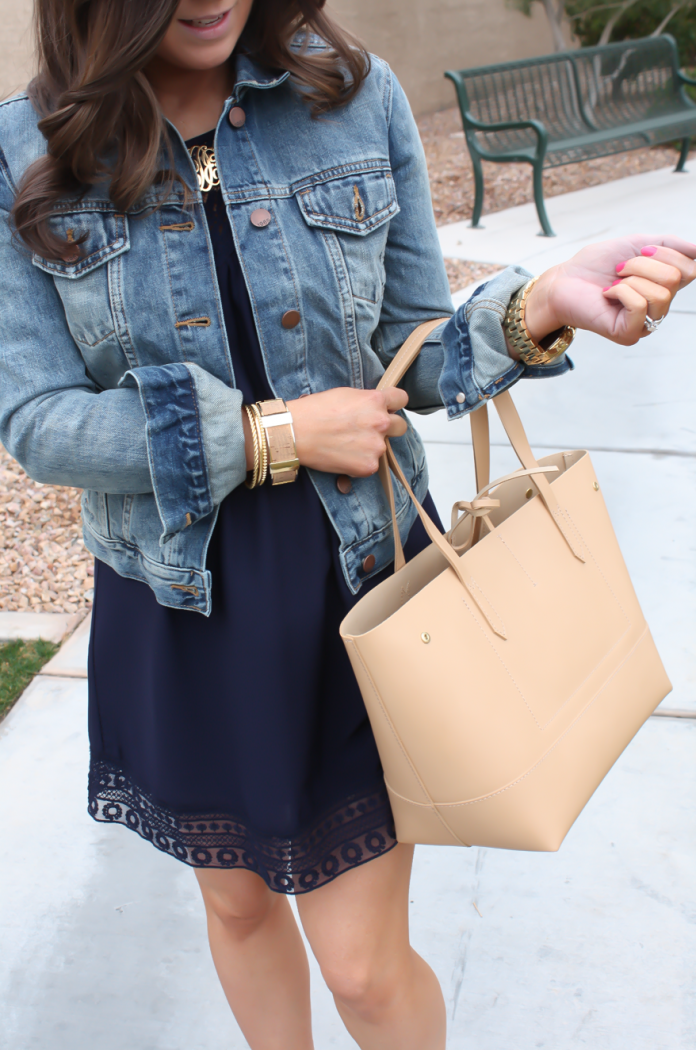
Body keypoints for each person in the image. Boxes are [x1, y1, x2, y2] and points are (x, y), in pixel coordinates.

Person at [0, 2, 694, 1048]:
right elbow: (38, 420)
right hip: (174, 599)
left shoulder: (349, 95)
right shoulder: (27, 150)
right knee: (236, 906)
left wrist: (536, 304)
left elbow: (411, 344)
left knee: (366, 971)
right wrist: (273, 435)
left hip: (354, 589)